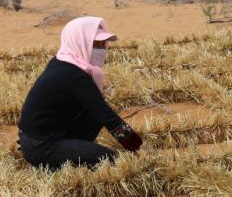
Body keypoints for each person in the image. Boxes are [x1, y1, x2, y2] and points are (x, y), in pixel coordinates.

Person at [18, 16, 142, 170]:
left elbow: (99, 111)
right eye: (96, 44)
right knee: (107, 158)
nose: (102, 49)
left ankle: (70, 154)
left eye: (104, 44)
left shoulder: (63, 61)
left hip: (43, 136)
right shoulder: (74, 76)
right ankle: (50, 166)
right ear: (79, 42)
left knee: (94, 113)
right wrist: (137, 146)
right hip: (41, 145)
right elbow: (108, 117)